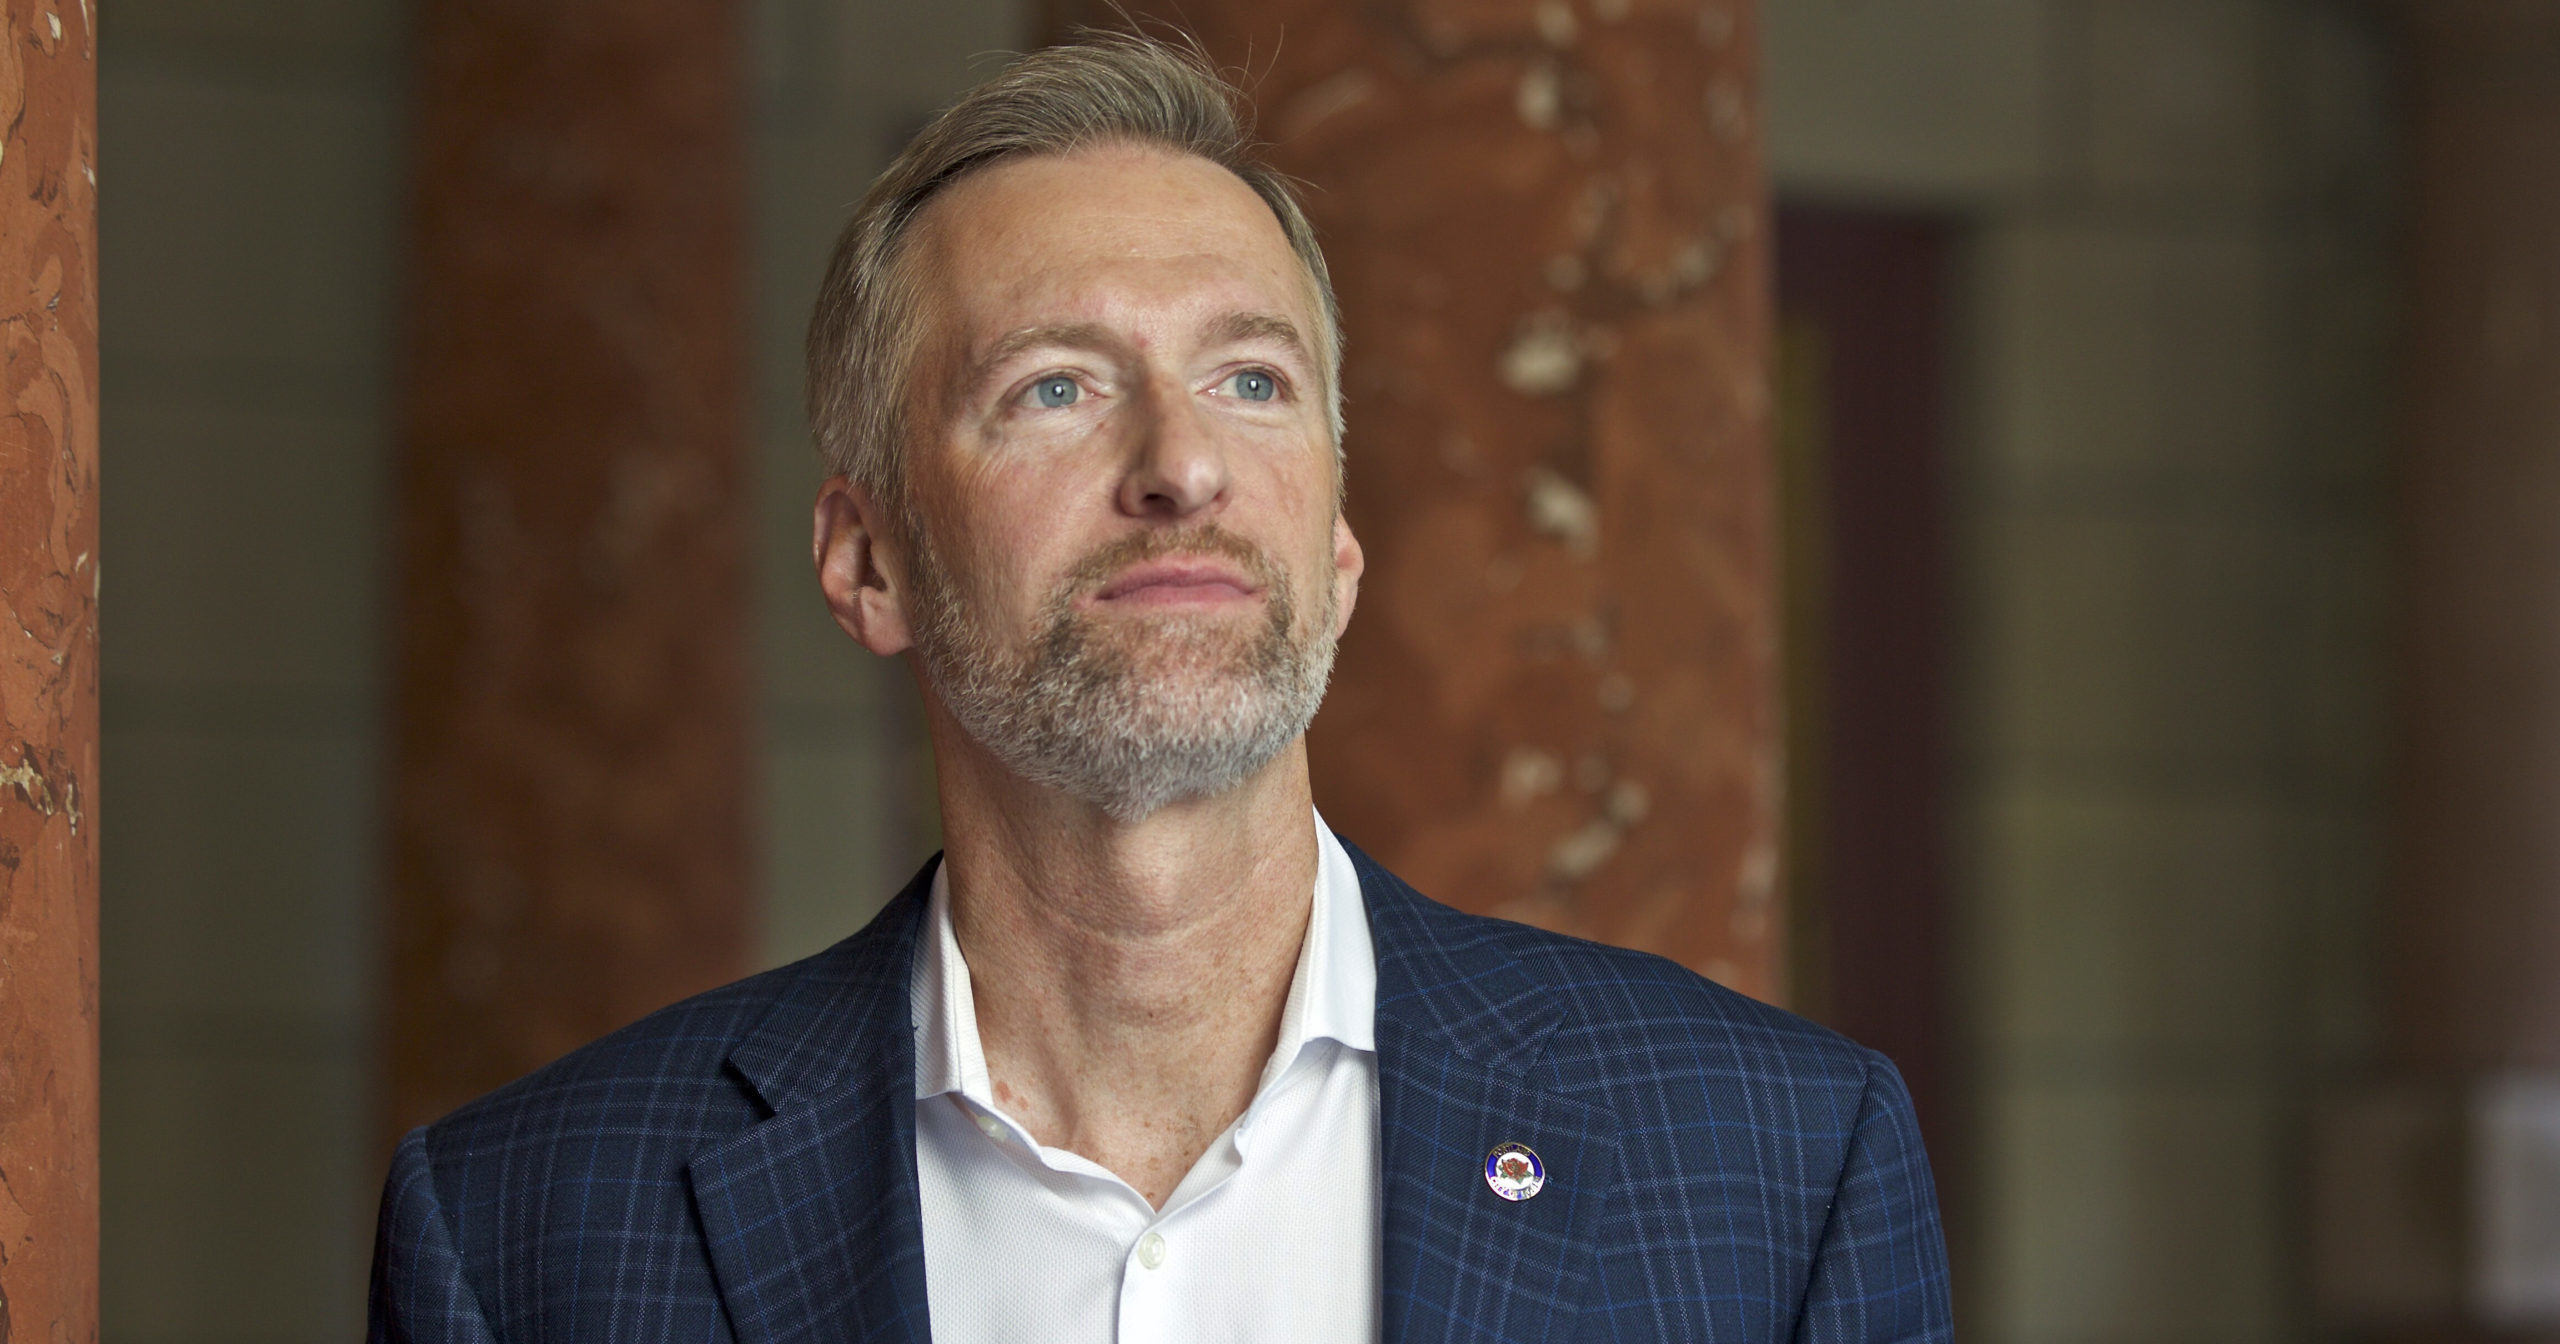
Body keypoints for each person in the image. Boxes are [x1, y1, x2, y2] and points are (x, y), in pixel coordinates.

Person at [369, 33, 1952, 1344]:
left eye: (1251, 381)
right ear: (868, 564)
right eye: (1054, 387)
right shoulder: (527, 1232)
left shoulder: (1774, 1170)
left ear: (1335, 546)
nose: (1182, 465)